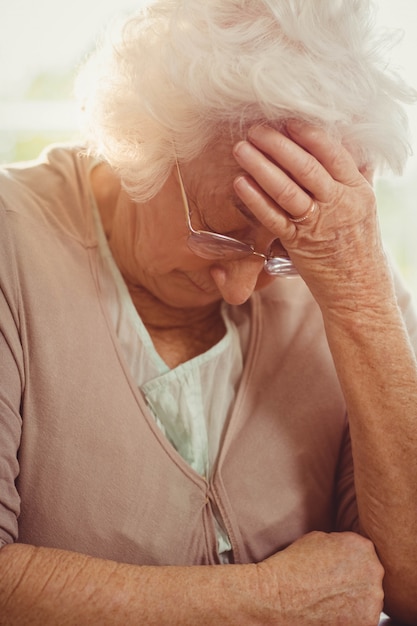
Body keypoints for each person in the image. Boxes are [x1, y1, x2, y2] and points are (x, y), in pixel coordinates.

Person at [0, 0, 416, 624]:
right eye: (223, 236)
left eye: (280, 256)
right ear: (145, 143)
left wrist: (360, 301)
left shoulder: (336, 260)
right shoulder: (14, 243)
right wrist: (260, 604)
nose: (242, 289)